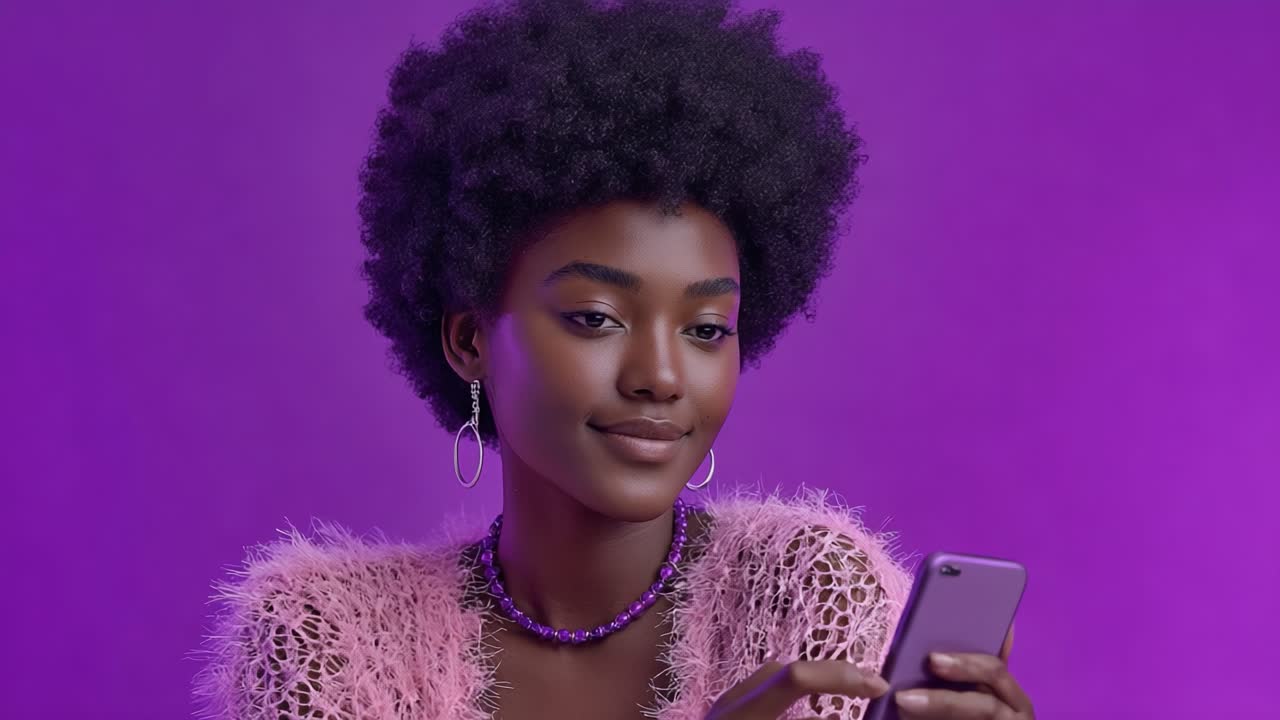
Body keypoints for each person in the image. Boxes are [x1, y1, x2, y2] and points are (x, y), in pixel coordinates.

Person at [192, 0, 1036, 718]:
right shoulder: (323, 638)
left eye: (706, 329)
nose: (661, 377)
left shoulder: (809, 590)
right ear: (470, 340)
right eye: (597, 318)